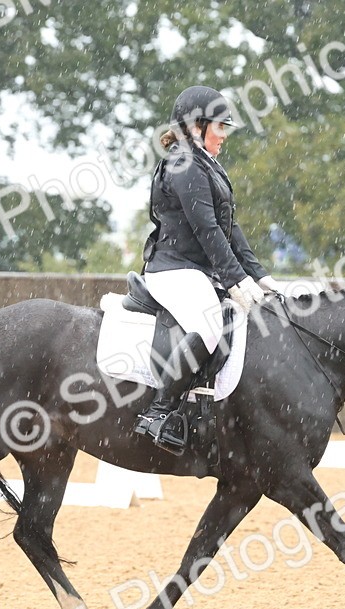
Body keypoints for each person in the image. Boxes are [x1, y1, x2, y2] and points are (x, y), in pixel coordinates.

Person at [135, 85, 285, 451]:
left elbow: (229, 227)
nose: (224, 135)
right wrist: (236, 281)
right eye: (220, 127)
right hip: (173, 270)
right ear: (196, 126)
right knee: (208, 323)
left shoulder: (205, 163)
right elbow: (207, 229)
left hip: (197, 270)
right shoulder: (183, 163)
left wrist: (260, 276)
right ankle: (158, 412)